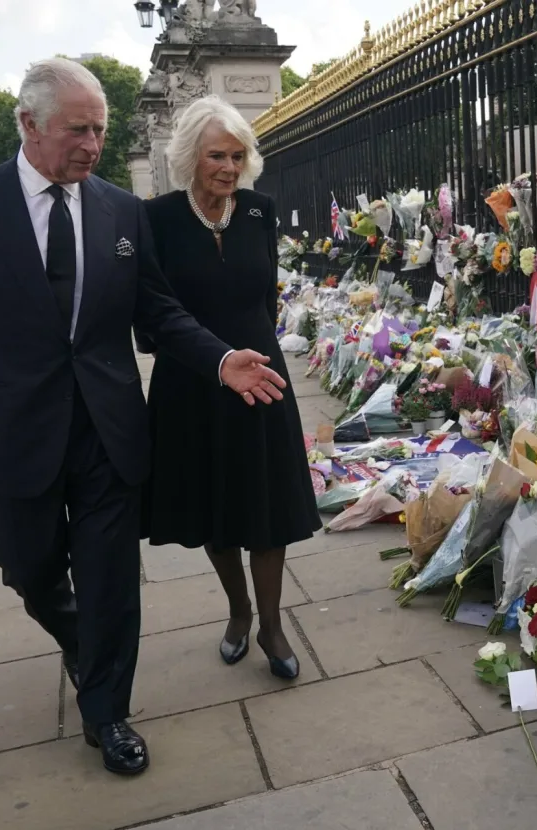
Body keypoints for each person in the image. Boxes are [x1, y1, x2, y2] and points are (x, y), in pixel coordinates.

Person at [0, 58, 287, 776]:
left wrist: (217, 359)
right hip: (15, 428)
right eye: (77, 130)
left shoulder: (118, 210)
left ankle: (107, 710)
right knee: (25, 565)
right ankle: (82, 641)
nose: (91, 144)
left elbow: (158, 309)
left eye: (101, 130)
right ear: (29, 125)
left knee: (112, 577)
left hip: (109, 428)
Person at [137, 97, 321, 681]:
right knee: (217, 509)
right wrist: (213, 357)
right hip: (193, 384)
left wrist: (256, 348)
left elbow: (264, 297)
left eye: (238, 155)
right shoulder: (157, 218)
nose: (228, 166)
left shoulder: (261, 211)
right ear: (191, 155)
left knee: (266, 506)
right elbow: (152, 314)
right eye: (217, 154)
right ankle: (238, 611)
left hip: (262, 378)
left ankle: (270, 622)